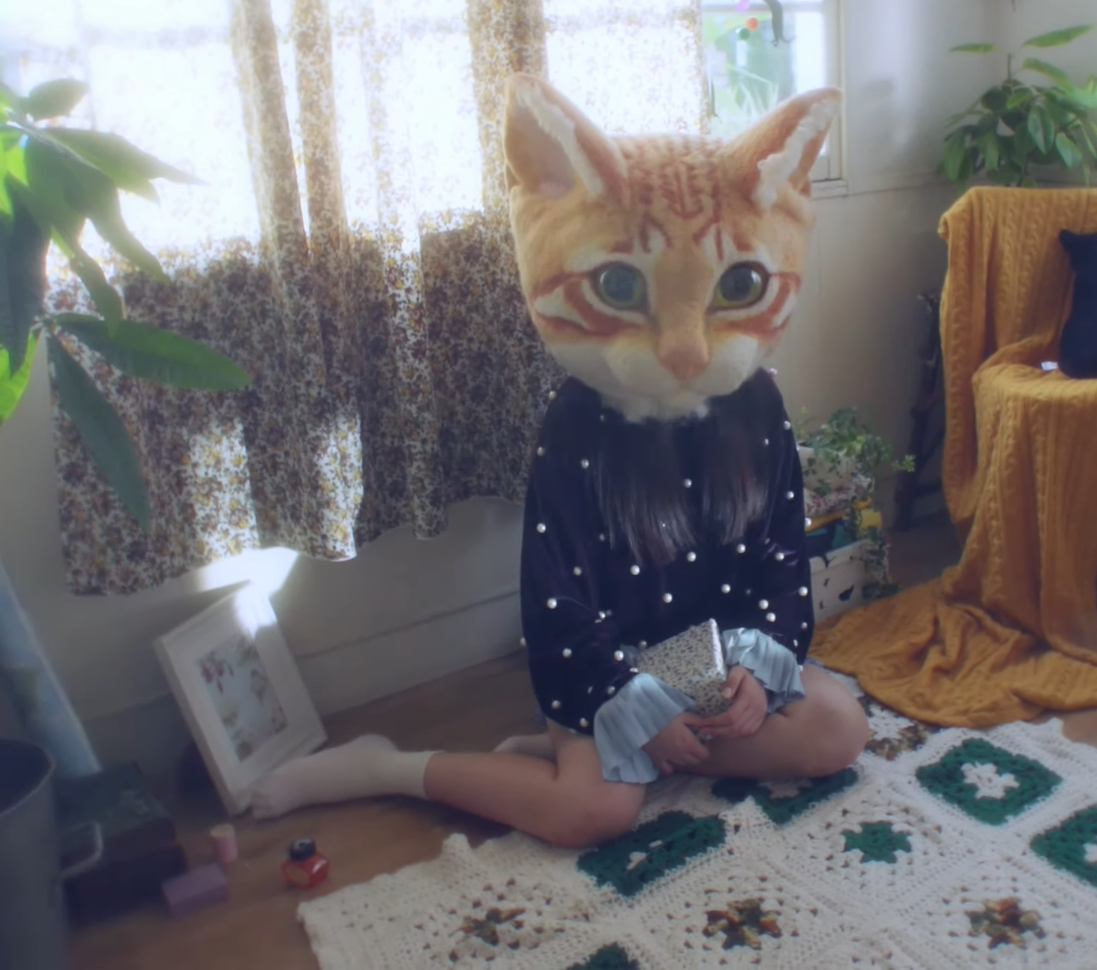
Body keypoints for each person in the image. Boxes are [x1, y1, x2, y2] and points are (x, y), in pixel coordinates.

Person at [246, 75, 868, 847]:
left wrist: (755, 668)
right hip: (607, 665)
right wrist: (630, 698)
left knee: (840, 728)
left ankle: (606, 758)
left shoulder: (758, 405)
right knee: (597, 813)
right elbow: (557, 608)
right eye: (621, 283)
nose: (684, 350)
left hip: (713, 657)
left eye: (735, 285)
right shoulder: (576, 426)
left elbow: (780, 557)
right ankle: (388, 767)